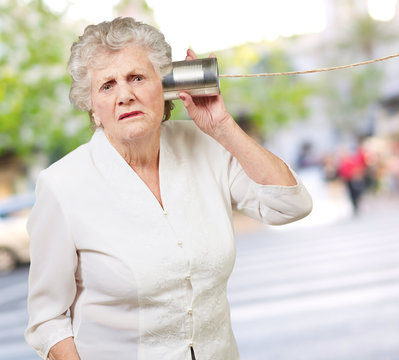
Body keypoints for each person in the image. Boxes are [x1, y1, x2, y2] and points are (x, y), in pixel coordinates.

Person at [25, 17, 312, 360]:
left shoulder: (207, 145)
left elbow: (291, 205)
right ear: (93, 109)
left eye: (137, 77)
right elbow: (47, 320)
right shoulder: (62, 185)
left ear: (166, 86)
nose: (125, 96)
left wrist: (222, 126)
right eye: (107, 86)